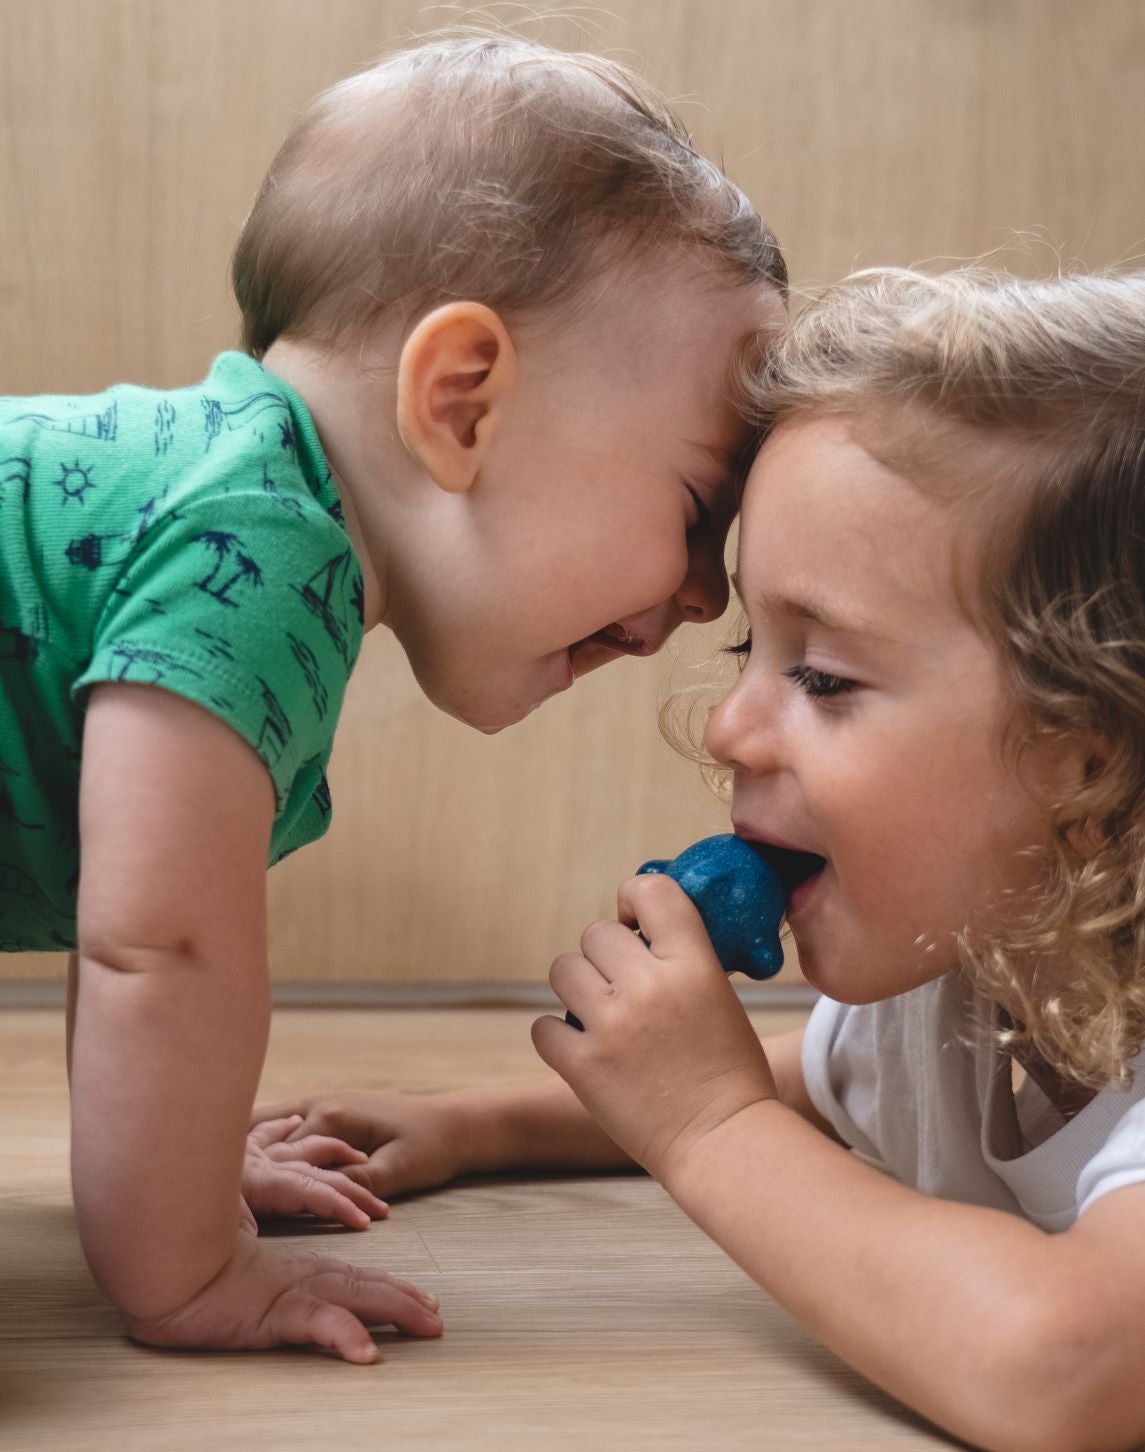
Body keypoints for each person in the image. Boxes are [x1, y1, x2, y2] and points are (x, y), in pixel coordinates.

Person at [262, 264, 1145, 1452]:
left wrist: (706, 1126)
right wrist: (478, 1127)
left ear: (1108, 753)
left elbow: (1064, 1371)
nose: (729, 725)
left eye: (824, 677)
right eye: (755, 642)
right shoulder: (1012, 936)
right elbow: (831, 1077)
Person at [0, 34, 786, 1364]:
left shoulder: (227, 503)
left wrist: (174, 1176)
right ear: (464, 402)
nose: (710, 597)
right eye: (702, 506)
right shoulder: (262, 551)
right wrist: (190, 1269)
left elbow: (120, 926)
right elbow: (162, 954)